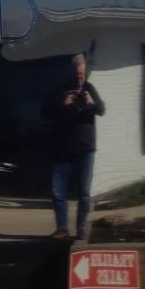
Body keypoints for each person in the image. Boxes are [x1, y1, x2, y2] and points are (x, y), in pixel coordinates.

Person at [42, 53, 106, 239]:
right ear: (71, 71)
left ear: (85, 71)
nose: (79, 76)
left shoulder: (89, 88)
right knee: (57, 192)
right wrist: (62, 104)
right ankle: (62, 228)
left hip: (85, 148)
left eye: (81, 73)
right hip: (61, 149)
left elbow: (101, 110)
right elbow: (45, 112)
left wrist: (91, 102)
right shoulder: (60, 90)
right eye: (77, 73)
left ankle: (81, 229)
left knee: (84, 192)